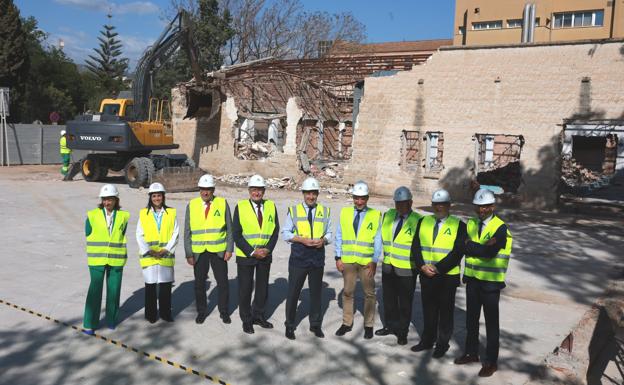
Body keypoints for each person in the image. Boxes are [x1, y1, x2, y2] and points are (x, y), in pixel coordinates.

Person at [454, 189, 513, 377]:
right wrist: (477, 247)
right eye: (478, 207)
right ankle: (471, 353)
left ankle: (491, 362)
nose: (481, 210)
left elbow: (490, 252)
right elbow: (462, 245)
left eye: (485, 207)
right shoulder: (471, 223)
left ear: (492, 207)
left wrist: (471, 246)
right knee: (471, 320)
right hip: (472, 281)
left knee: (491, 324)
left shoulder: (500, 227)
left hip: (490, 284)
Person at [410, 189, 467, 358]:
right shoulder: (424, 221)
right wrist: (421, 266)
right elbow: (416, 246)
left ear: (449, 205)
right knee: (429, 310)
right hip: (426, 275)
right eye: (435, 204)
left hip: (447, 276)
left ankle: (442, 344)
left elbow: (458, 251)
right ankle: (427, 340)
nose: (438, 207)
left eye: (442, 204)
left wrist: (437, 268)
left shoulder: (459, 225)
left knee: (445, 312)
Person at [282, 177, 332, 340]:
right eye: (308, 193)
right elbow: (285, 233)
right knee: (293, 292)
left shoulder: (325, 211)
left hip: (317, 256)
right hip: (299, 256)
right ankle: (290, 325)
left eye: (313, 193)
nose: (311, 196)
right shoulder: (294, 210)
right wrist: (301, 239)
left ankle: (315, 325)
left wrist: (323, 240)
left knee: (316, 293)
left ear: (317, 194)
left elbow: (330, 233)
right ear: (303, 194)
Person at [233, 175, 280, 334]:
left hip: (265, 255)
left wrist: (267, 249)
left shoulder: (271, 206)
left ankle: (258, 316)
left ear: (264, 191)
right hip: (246, 256)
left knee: (262, 288)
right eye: (254, 189)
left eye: (259, 190)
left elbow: (275, 231)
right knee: (245, 289)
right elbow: (237, 234)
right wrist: (252, 251)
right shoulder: (240, 207)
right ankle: (246, 320)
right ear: (249, 191)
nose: (257, 193)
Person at [334, 181, 382, 339]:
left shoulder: (375, 215)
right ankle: (347, 323)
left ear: (367, 198)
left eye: (362, 198)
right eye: (356, 198)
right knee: (348, 292)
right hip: (348, 261)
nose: (359, 201)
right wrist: (338, 257)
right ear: (353, 197)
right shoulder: (345, 212)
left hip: (366, 262)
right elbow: (339, 235)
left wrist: (374, 260)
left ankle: (369, 325)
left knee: (369, 293)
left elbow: (377, 239)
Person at [184, 174, 234, 325]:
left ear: (213, 189)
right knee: (199, 284)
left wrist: (229, 249)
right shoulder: (191, 205)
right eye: (202, 189)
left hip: (218, 250)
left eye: (208, 189)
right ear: (199, 189)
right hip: (199, 252)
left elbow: (229, 229)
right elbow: (187, 231)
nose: (205, 192)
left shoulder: (222, 203)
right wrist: (188, 253)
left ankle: (224, 311)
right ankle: (201, 311)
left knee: (223, 283)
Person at [376, 186, 421, 345]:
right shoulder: (388, 215)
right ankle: (389, 326)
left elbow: (421, 246)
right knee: (388, 300)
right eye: (397, 203)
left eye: (404, 203)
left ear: (410, 203)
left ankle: (402, 332)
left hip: (407, 268)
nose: (400, 207)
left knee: (405, 302)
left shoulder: (418, 220)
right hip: (388, 265)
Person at [83, 184, 129, 335]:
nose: (107, 203)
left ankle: (111, 320)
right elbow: (88, 232)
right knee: (95, 291)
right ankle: (90, 324)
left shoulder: (123, 216)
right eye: (104, 200)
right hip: (97, 259)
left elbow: (122, 234)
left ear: (116, 200)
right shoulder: (92, 215)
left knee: (114, 291)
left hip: (116, 259)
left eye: (110, 199)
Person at [136, 182, 179, 323]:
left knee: (166, 287)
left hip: (165, 255)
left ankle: (166, 314)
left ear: (163, 197)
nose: (156, 199)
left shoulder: (171, 213)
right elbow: (139, 234)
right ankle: (151, 315)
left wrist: (166, 249)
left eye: (159, 196)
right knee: (150, 287)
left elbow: (175, 233)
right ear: (150, 197)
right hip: (150, 256)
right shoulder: (143, 213)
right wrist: (149, 251)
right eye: (154, 196)